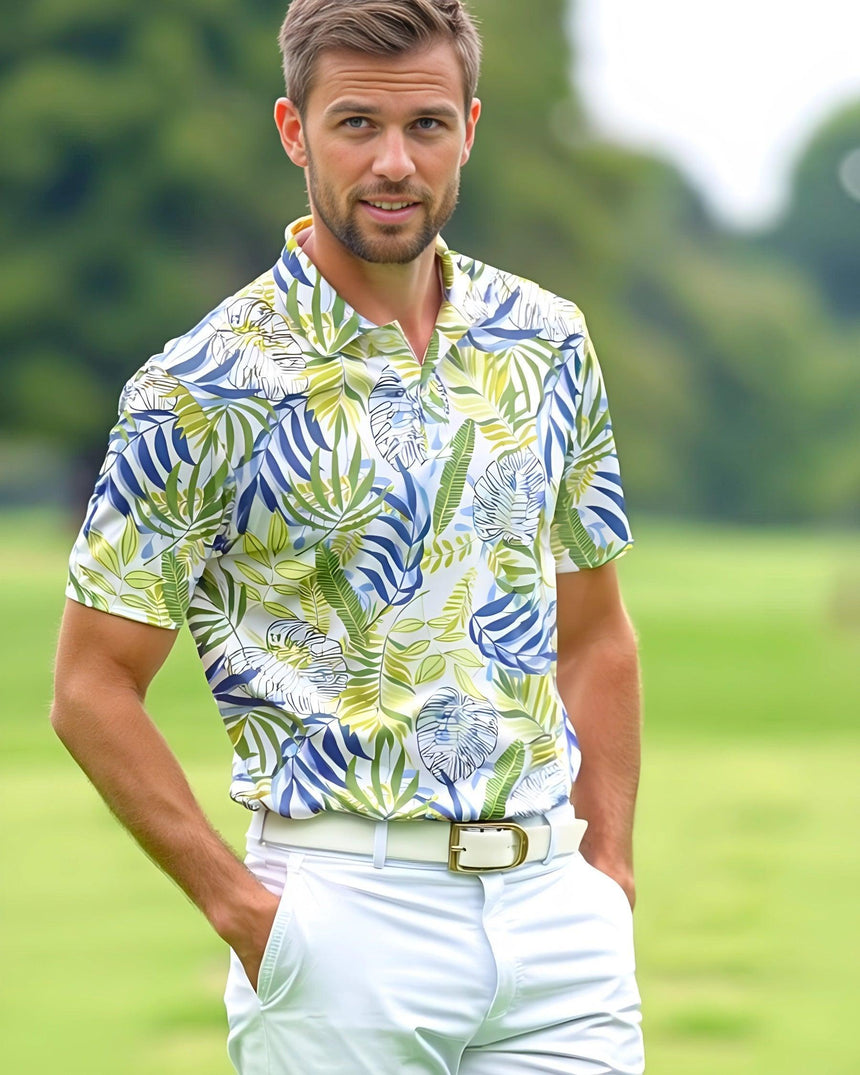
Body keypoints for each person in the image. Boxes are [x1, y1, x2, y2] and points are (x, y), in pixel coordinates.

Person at [51, 1, 644, 1072]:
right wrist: (246, 914)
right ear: (293, 130)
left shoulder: (545, 342)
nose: (393, 164)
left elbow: (594, 632)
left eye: (424, 127)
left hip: (557, 921)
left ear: (468, 125)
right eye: (355, 123)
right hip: (342, 922)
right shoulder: (202, 384)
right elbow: (91, 686)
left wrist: (608, 871)